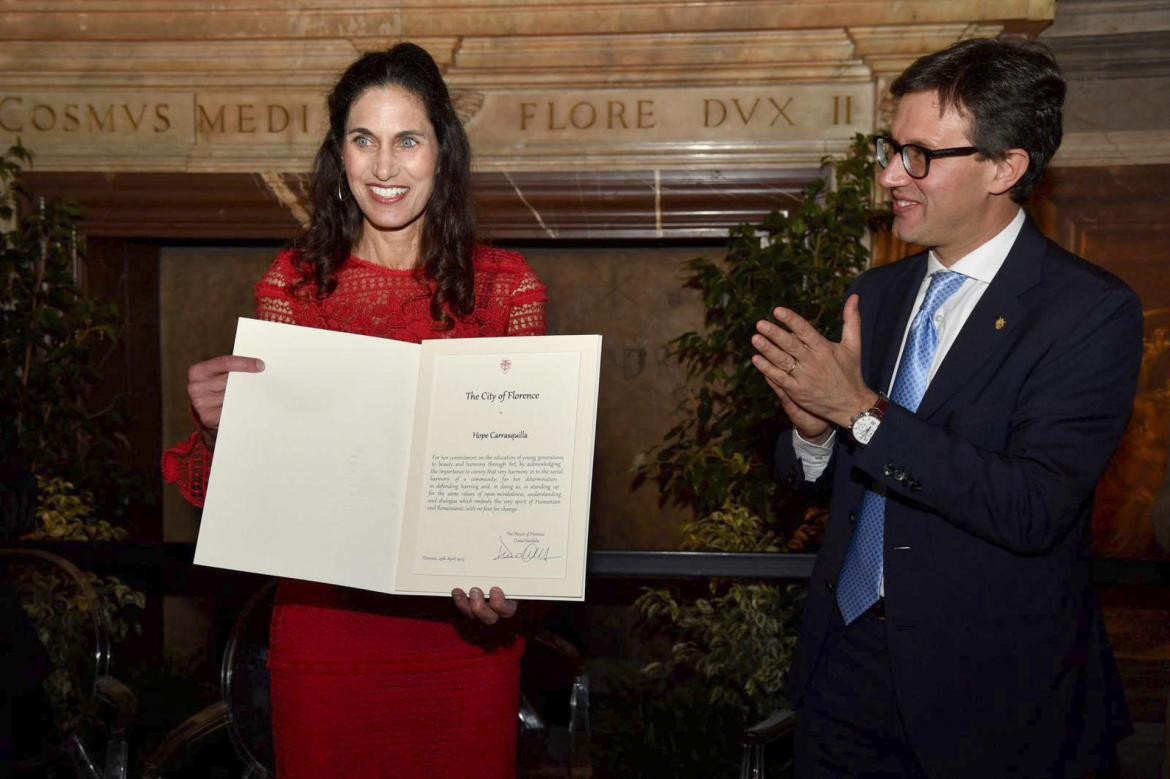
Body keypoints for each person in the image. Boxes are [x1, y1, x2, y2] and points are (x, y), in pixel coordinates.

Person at [750, 38, 1140, 778]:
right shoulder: (879, 294)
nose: (891, 175)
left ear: (1005, 167)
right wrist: (812, 437)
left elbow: (1031, 504)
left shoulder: (1088, 312)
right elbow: (840, 483)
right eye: (891, 147)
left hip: (993, 702)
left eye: (920, 155)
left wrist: (860, 412)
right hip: (844, 678)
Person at [162, 43, 547, 778]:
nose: (384, 166)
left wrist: (511, 584)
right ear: (339, 155)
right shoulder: (295, 285)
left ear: (443, 152)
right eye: (362, 140)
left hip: (463, 646)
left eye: (408, 140)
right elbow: (263, 497)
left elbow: (522, 478)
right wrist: (225, 428)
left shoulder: (508, 288)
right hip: (327, 639)